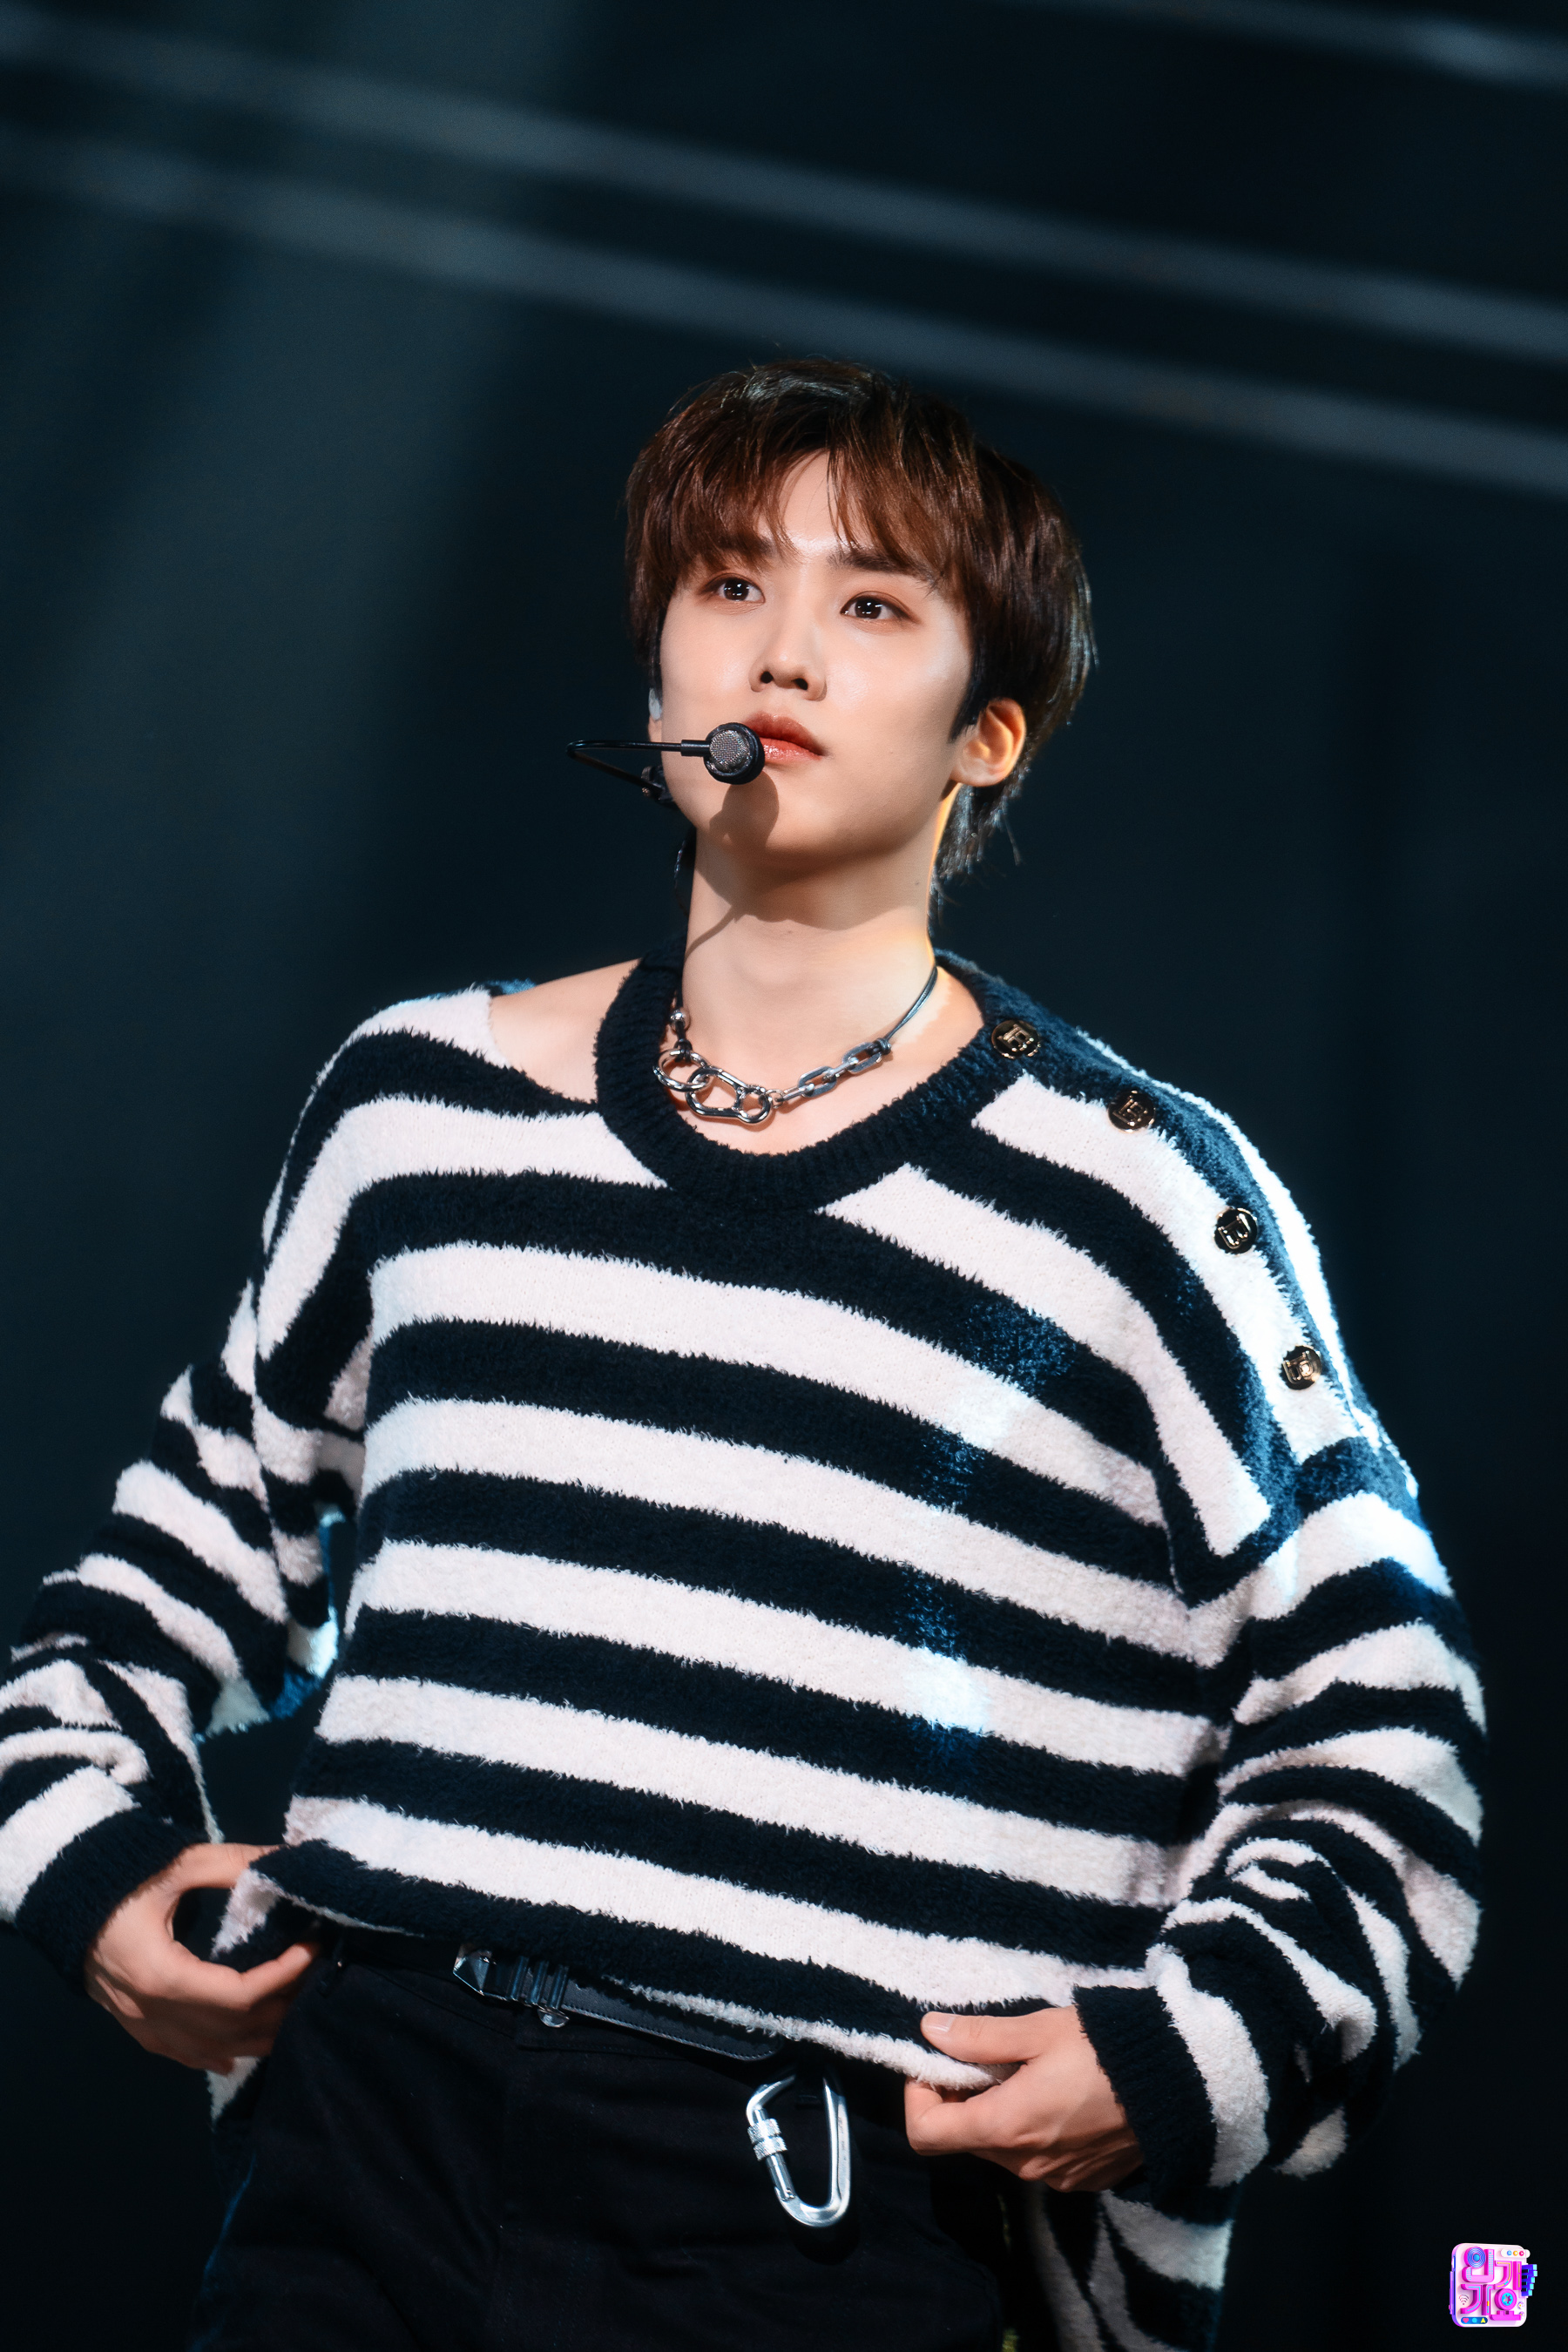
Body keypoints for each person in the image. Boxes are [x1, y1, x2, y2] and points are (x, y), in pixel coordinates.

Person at [0, 361, 1480, 2352]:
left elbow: (1384, 1733)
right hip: (368, 2138)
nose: (779, 647)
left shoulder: (1137, 1196)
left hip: (813, 2207)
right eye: (726, 583)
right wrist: (85, 1866)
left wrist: (1180, 2050)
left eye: (870, 602)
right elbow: (156, 1580)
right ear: (655, 674)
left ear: (990, 734)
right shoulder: (420, 1103)